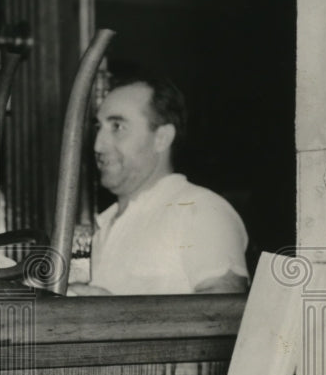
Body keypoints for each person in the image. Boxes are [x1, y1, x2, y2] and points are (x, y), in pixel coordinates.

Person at [67, 76, 249, 296]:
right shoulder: (106, 225)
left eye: (117, 126)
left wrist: (115, 316)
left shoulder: (199, 210)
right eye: (99, 127)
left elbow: (225, 318)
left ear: (161, 138)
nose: (98, 145)